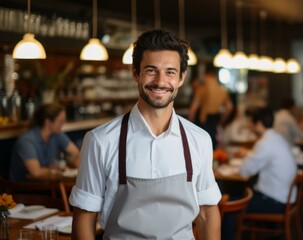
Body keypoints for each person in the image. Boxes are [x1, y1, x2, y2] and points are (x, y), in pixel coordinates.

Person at [69, 29, 221, 239]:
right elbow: (84, 217)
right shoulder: (100, 141)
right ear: (135, 73)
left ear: (181, 78)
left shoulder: (200, 140)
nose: (160, 81)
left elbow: (207, 213)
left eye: (170, 72)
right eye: (151, 70)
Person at [239, 107, 298, 213]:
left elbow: (244, 170)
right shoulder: (277, 138)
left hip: (275, 201)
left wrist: (247, 156)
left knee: (231, 204)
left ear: (259, 123)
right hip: (286, 198)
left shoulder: (265, 143)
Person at [9, 103, 80, 181]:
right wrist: (59, 170)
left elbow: (76, 153)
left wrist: (75, 163)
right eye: (60, 121)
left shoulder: (57, 135)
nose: (63, 124)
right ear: (48, 121)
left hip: (47, 184)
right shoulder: (27, 141)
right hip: (25, 187)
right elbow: (36, 173)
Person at [188, 65, 233, 149]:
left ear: (206, 75)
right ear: (216, 76)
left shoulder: (202, 89)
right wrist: (222, 121)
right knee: (214, 147)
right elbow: (230, 108)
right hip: (216, 119)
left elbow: (193, 109)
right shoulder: (222, 90)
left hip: (204, 120)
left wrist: (189, 125)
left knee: (202, 147)